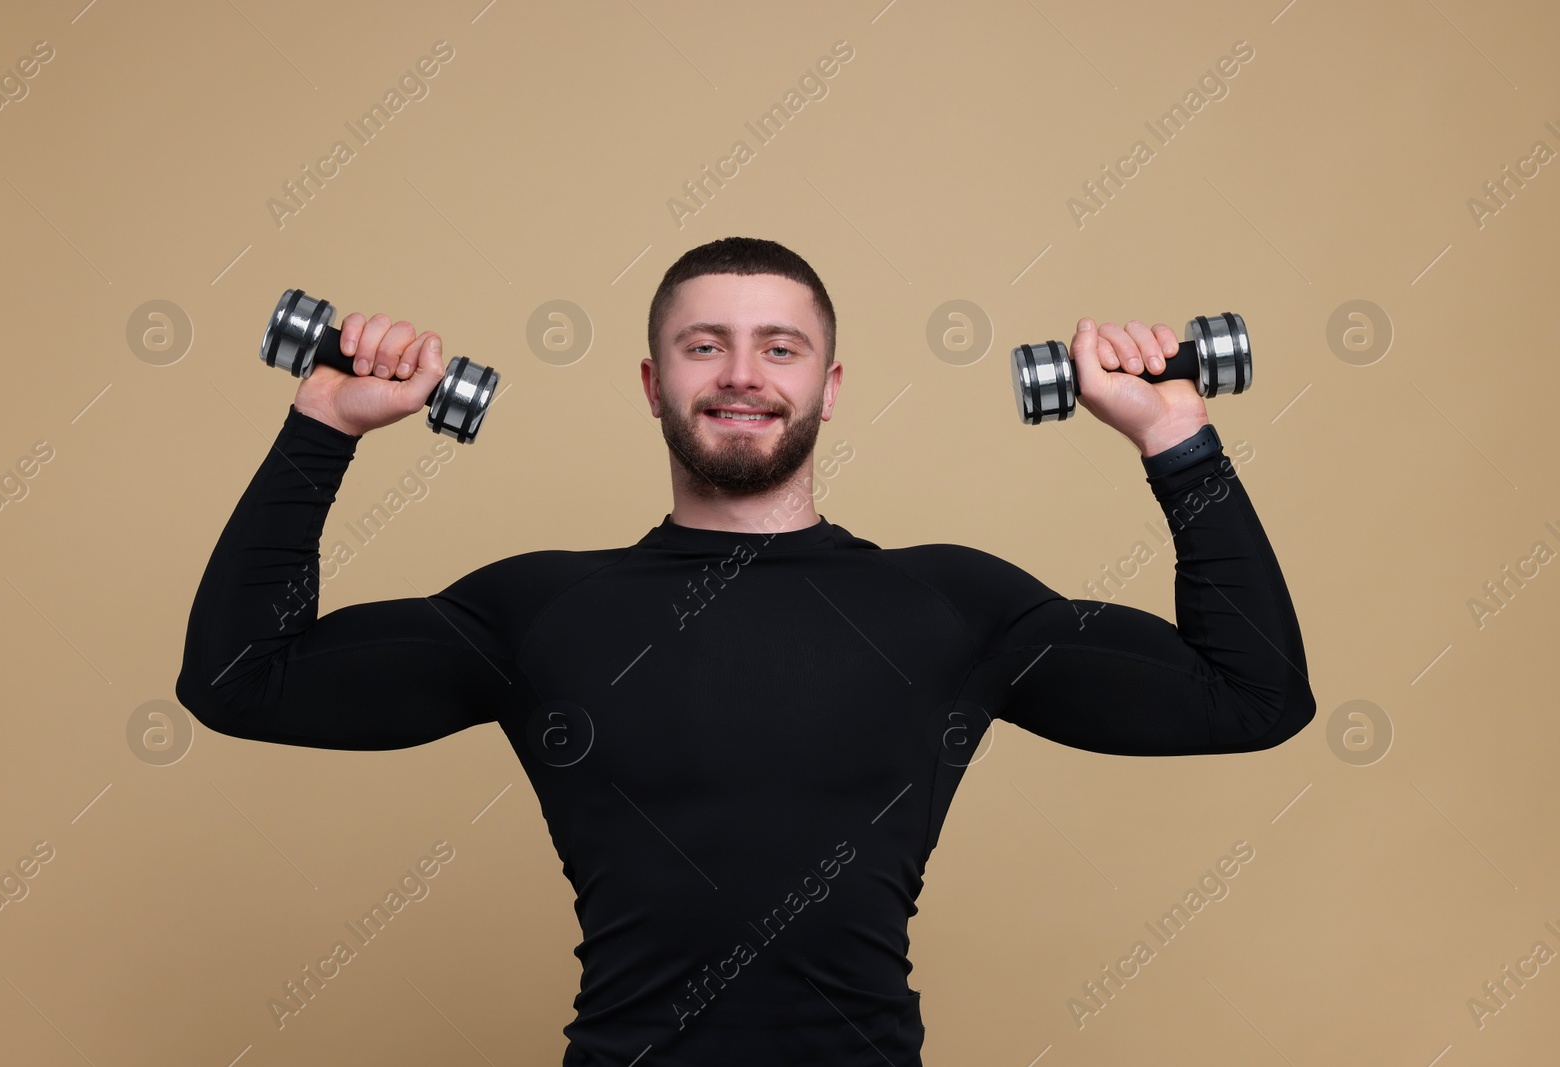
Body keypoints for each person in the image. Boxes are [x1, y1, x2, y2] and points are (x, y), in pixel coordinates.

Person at [175, 236, 1316, 1065]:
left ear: (828, 387)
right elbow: (239, 681)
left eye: (778, 347)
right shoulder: (541, 610)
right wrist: (321, 424)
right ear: (652, 384)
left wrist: (1174, 434)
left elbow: (1251, 694)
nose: (738, 373)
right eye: (702, 345)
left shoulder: (950, 604)